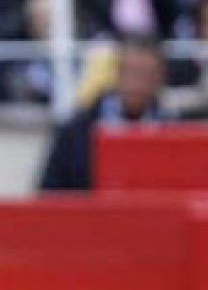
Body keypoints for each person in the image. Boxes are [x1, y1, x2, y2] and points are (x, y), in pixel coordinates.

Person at [39, 36, 172, 191]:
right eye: (131, 72)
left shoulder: (174, 130)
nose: (137, 83)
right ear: (117, 73)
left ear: (160, 78)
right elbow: (49, 194)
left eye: (145, 74)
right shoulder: (75, 131)